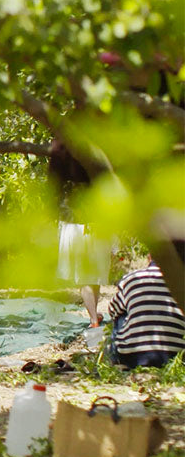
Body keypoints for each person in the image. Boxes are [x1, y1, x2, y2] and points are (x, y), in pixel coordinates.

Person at [49, 140, 109, 327]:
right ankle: (94, 317)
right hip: (97, 219)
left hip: (74, 220)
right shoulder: (100, 143)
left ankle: (93, 319)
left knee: (84, 275)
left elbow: (53, 182)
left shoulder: (61, 145)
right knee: (95, 273)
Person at [107, 258, 185, 368]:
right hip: (173, 355)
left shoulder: (132, 278)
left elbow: (112, 310)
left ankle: (118, 360)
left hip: (131, 355)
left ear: (149, 258)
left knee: (121, 313)